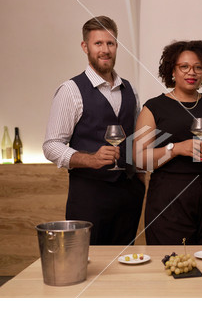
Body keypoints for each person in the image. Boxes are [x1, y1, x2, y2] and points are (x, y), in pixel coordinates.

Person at [43, 16, 145, 245]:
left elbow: (136, 140)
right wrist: (91, 160)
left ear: (117, 46)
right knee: (87, 264)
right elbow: (51, 146)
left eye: (110, 43)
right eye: (98, 43)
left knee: (123, 262)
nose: (105, 50)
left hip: (129, 195)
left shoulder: (131, 90)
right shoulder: (70, 90)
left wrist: (141, 180)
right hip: (89, 196)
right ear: (85, 47)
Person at [134, 40, 202, 245]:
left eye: (198, 67)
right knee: (173, 266)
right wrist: (176, 149)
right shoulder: (154, 108)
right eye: (184, 67)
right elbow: (138, 159)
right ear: (172, 70)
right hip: (169, 201)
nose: (192, 72)